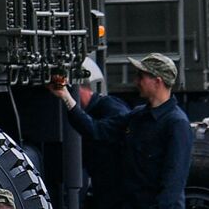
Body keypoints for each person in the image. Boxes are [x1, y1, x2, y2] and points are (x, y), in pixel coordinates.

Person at [56, 53, 192, 209]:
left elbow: (172, 185)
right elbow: (97, 131)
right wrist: (66, 96)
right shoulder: (137, 116)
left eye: (141, 77)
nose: (136, 81)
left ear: (157, 81)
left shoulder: (176, 124)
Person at [63, 57, 130, 209]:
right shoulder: (101, 109)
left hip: (116, 191)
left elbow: (95, 131)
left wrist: (68, 100)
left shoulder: (111, 109)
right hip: (105, 188)